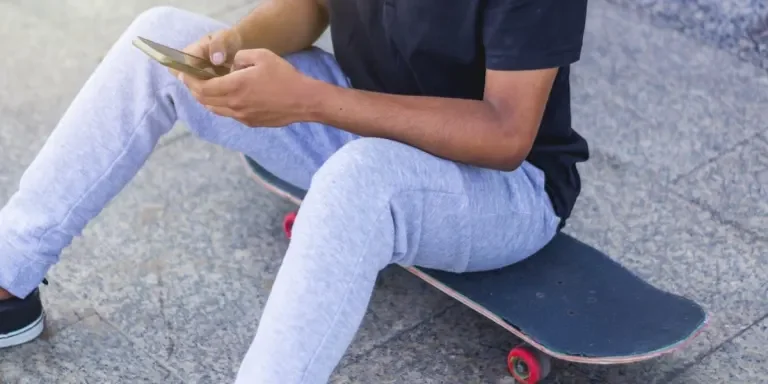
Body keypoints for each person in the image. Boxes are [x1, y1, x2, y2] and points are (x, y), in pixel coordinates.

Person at [0, 0, 589, 382]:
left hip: (507, 188)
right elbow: (312, 6)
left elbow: (506, 132)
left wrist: (306, 100)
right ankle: (9, 276)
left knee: (359, 178)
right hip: (363, 118)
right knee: (161, 38)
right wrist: (228, 48)